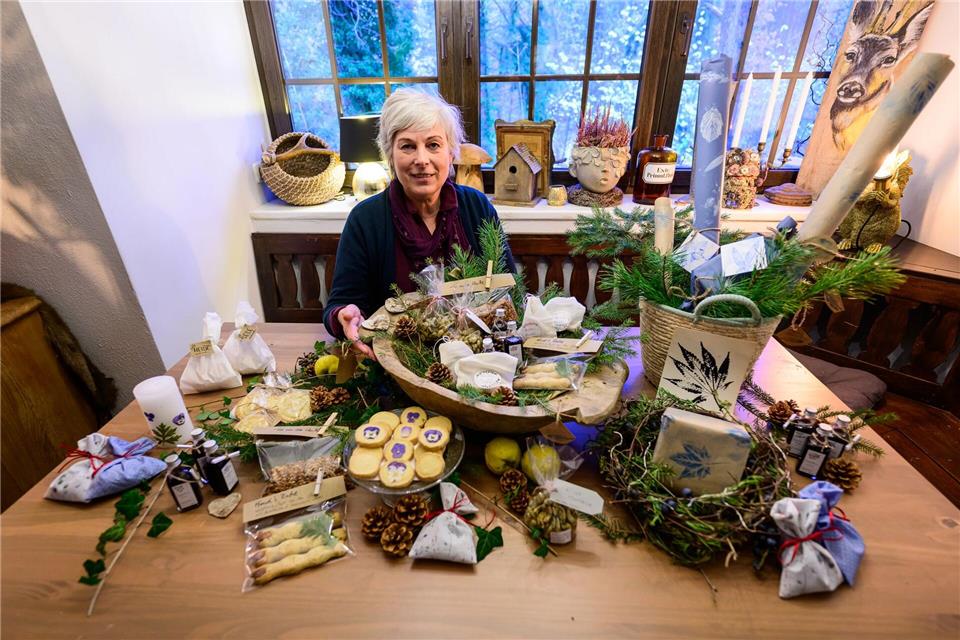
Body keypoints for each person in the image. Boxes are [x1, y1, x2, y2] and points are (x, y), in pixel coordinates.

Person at [323, 89, 515, 359]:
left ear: (451, 153)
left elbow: (509, 286)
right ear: (390, 155)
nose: (421, 160)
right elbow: (341, 305)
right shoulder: (365, 219)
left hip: (475, 361)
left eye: (433, 145)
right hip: (395, 362)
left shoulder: (477, 206)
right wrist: (345, 316)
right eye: (408, 146)